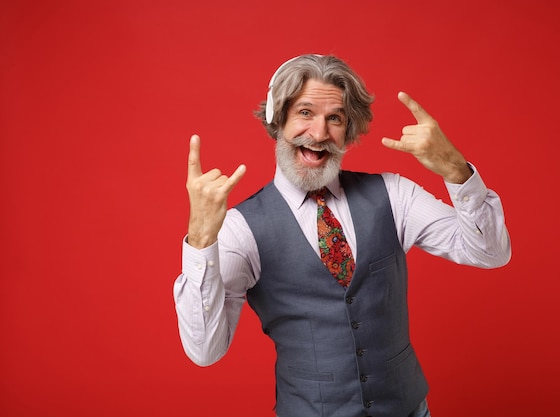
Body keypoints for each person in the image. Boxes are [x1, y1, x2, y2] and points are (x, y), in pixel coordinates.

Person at [174, 54, 511, 417]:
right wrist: (201, 239)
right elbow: (204, 351)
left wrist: (456, 171)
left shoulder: (394, 194)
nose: (318, 135)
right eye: (305, 112)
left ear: (348, 129)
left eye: (334, 118)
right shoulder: (241, 228)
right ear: (277, 117)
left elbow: (490, 252)